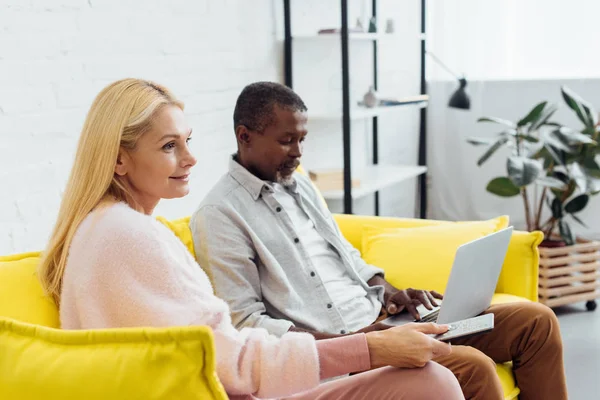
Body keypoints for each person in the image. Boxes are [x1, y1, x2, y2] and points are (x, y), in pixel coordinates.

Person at [37, 78, 464, 400]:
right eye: (169, 146)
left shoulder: (105, 229)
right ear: (119, 159)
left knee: (466, 355)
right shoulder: (129, 236)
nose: (191, 158)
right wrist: (368, 350)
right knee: (432, 382)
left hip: (250, 378)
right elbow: (234, 362)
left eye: (187, 141)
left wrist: (376, 327)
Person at [191, 81, 568, 400]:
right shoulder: (219, 215)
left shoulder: (298, 184)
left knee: (536, 323)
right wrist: (356, 344)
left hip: (388, 321)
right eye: (287, 141)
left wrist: (390, 292)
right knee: (473, 369)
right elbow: (245, 323)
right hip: (346, 349)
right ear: (245, 136)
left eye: (302, 139)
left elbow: (347, 256)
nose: (298, 153)